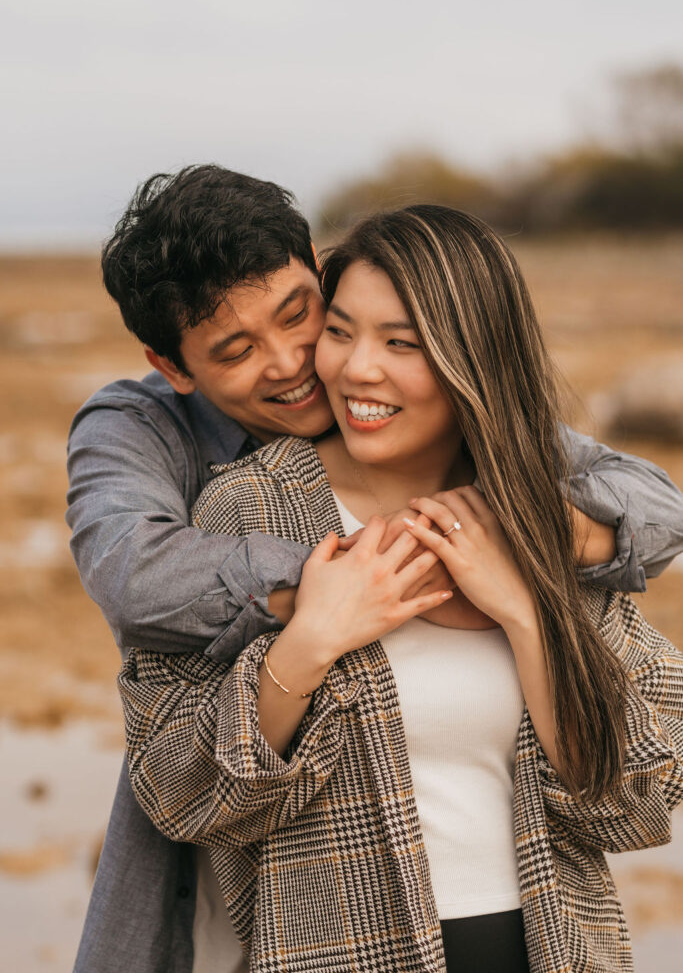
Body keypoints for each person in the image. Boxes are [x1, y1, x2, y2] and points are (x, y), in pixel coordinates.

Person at [67, 166, 683, 973]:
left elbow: (636, 799)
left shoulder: (522, 497)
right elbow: (138, 600)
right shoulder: (215, 488)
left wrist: (526, 594)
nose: (310, 365)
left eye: (303, 318)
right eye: (237, 349)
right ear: (175, 365)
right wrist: (327, 609)